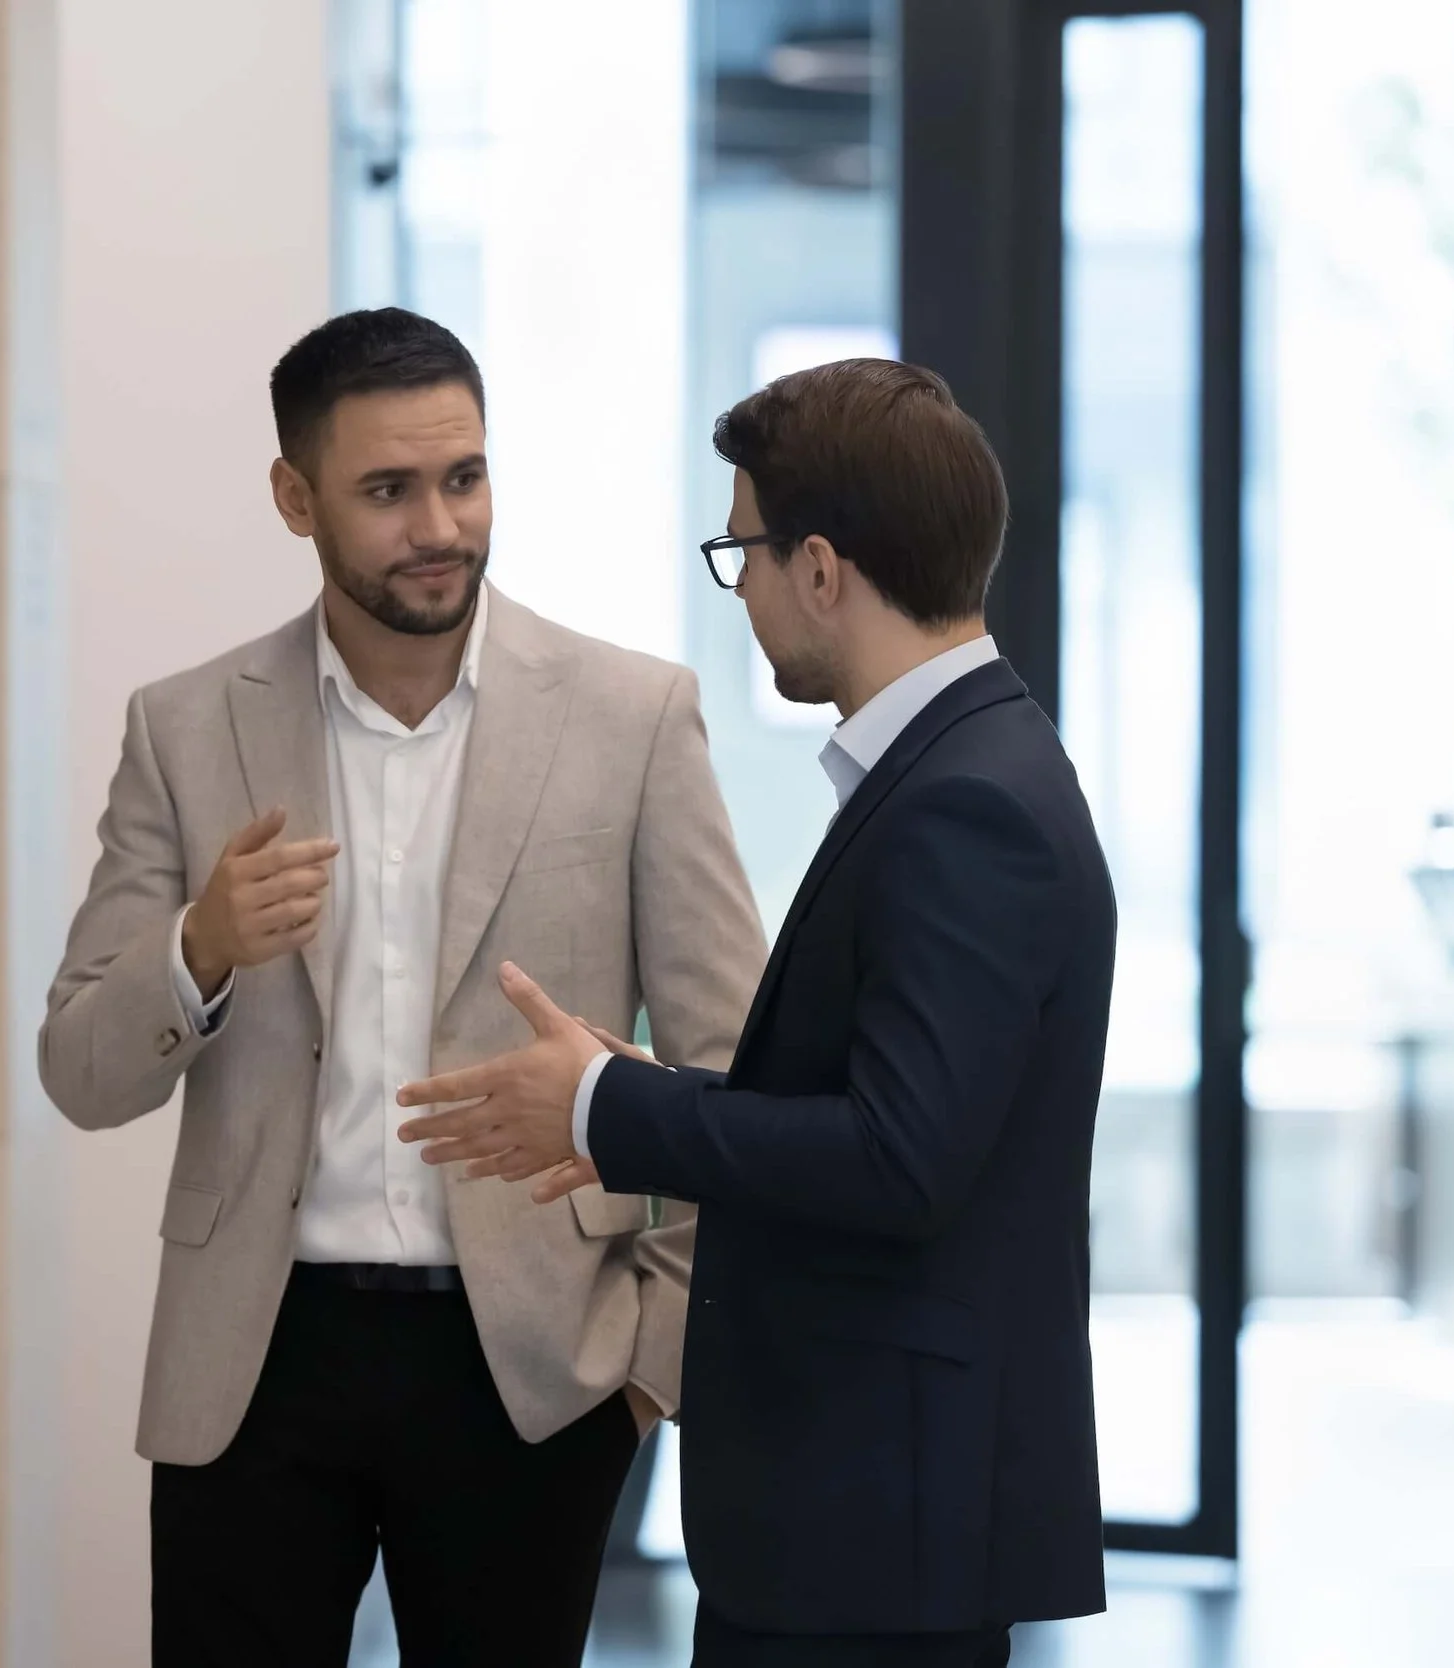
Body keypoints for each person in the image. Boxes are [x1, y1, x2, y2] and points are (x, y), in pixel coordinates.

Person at [38, 307, 765, 1667]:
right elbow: (78, 1068)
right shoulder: (186, 728)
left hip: (533, 1370)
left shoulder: (633, 718)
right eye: (388, 490)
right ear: (294, 498)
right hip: (254, 1362)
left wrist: (652, 1349)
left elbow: (737, 1065)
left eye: (464, 478)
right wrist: (198, 947)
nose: (440, 524)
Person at [397, 358, 1117, 1667]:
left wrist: (612, 1109)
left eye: (746, 557)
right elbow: (879, 1111)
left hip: (873, 1522)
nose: (745, 598)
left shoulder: (969, 803)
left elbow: (899, 1162)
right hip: (865, 1515)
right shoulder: (961, 765)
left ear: (824, 570)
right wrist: (638, 1095)